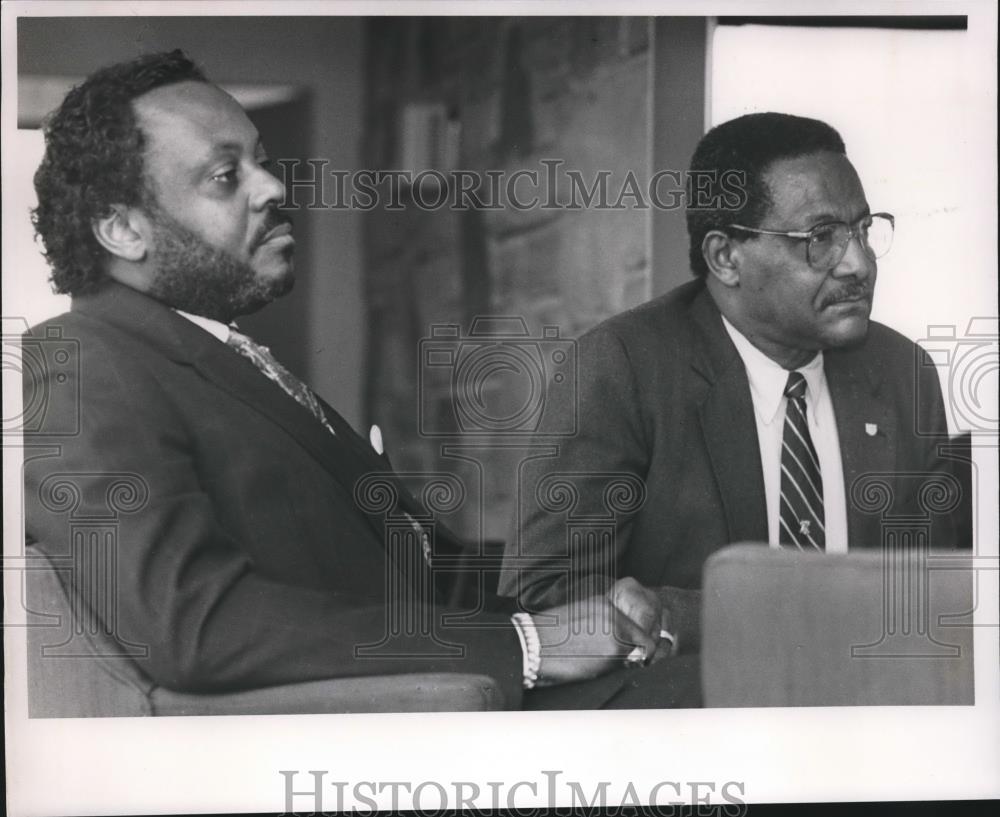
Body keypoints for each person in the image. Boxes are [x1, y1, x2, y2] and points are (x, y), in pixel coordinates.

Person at [22, 50, 697, 712]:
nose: (274, 187)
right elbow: (196, 623)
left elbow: (414, 571)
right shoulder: (78, 364)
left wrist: (591, 598)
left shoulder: (219, 357)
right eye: (227, 176)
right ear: (120, 228)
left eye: (260, 160)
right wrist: (524, 642)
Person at [499, 112, 961, 654]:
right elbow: (544, 597)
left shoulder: (902, 373)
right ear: (725, 257)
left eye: (862, 229)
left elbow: (935, 592)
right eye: (820, 238)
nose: (857, 263)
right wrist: (698, 619)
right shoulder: (624, 367)